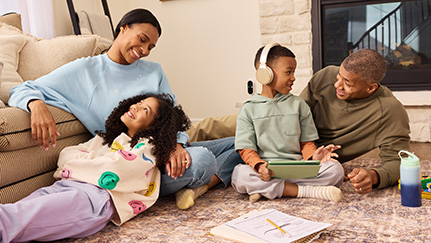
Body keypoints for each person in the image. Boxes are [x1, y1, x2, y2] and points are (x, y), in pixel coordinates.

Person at [8, 8, 242, 209]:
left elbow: (171, 115)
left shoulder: (154, 71)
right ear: (123, 28)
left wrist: (177, 145)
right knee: (201, 159)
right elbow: (23, 88)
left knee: (241, 142)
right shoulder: (85, 70)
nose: (145, 50)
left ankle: (203, 184)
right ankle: (196, 180)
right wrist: (36, 104)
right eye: (142, 39)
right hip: (133, 165)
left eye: (150, 46)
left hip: (164, 149)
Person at [0, 93, 191, 242]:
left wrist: (84, 161)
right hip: (64, 186)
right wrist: (92, 163)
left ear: (154, 126)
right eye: (139, 102)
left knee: (13, 219)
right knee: (17, 214)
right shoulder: (105, 139)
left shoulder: (147, 148)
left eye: (145, 110)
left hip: (94, 199)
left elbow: (115, 170)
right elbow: (66, 154)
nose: (136, 107)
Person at [231, 43, 344, 203]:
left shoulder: (299, 105)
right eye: (288, 72)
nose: (293, 78)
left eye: (294, 72)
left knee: (335, 170)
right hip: (266, 170)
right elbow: (246, 149)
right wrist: (259, 167)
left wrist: (313, 157)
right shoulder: (248, 109)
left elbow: (306, 143)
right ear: (266, 73)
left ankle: (269, 189)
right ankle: (308, 191)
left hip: (297, 168)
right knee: (239, 175)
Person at [299, 49, 411, 194]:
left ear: (370, 88)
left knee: (334, 174)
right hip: (295, 147)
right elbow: (294, 118)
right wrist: (311, 154)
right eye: (338, 76)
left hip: (325, 164)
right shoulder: (325, 77)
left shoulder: (389, 111)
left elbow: (400, 163)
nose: (337, 85)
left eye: (347, 83)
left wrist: (373, 176)